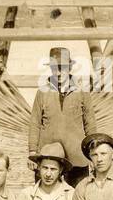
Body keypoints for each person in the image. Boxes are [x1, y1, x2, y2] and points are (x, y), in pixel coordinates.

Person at [28, 47, 98, 186]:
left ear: (70, 68)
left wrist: (94, 150)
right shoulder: (42, 92)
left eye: (62, 68)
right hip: (49, 159)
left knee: (78, 198)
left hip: (77, 159)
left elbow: (90, 123)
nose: (59, 73)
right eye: (55, 68)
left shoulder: (82, 91)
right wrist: (32, 151)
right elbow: (35, 122)